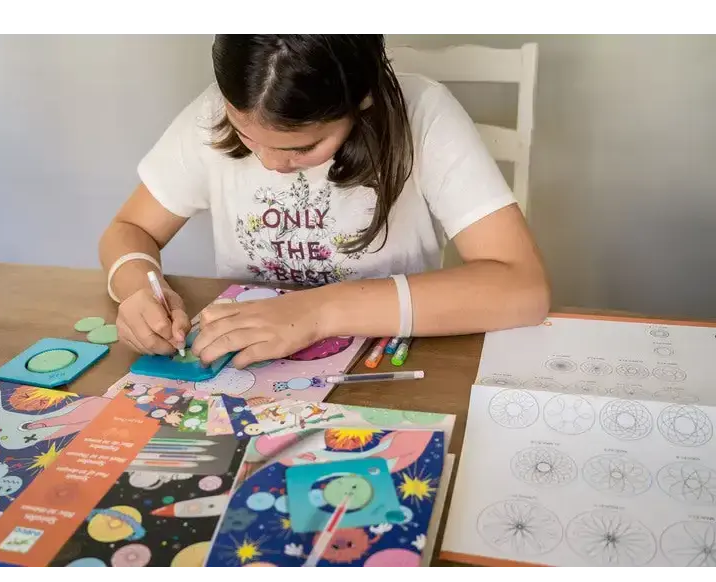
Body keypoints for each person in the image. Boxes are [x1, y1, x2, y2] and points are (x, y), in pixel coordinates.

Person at [99, 32, 550, 369]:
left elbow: (521, 289)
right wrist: (138, 289)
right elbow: (129, 230)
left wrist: (317, 311)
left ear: (362, 101)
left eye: (302, 148)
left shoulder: (423, 114)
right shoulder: (209, 115)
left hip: (386, 365)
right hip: (247, 371)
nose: (271, 163)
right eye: (246, 136)